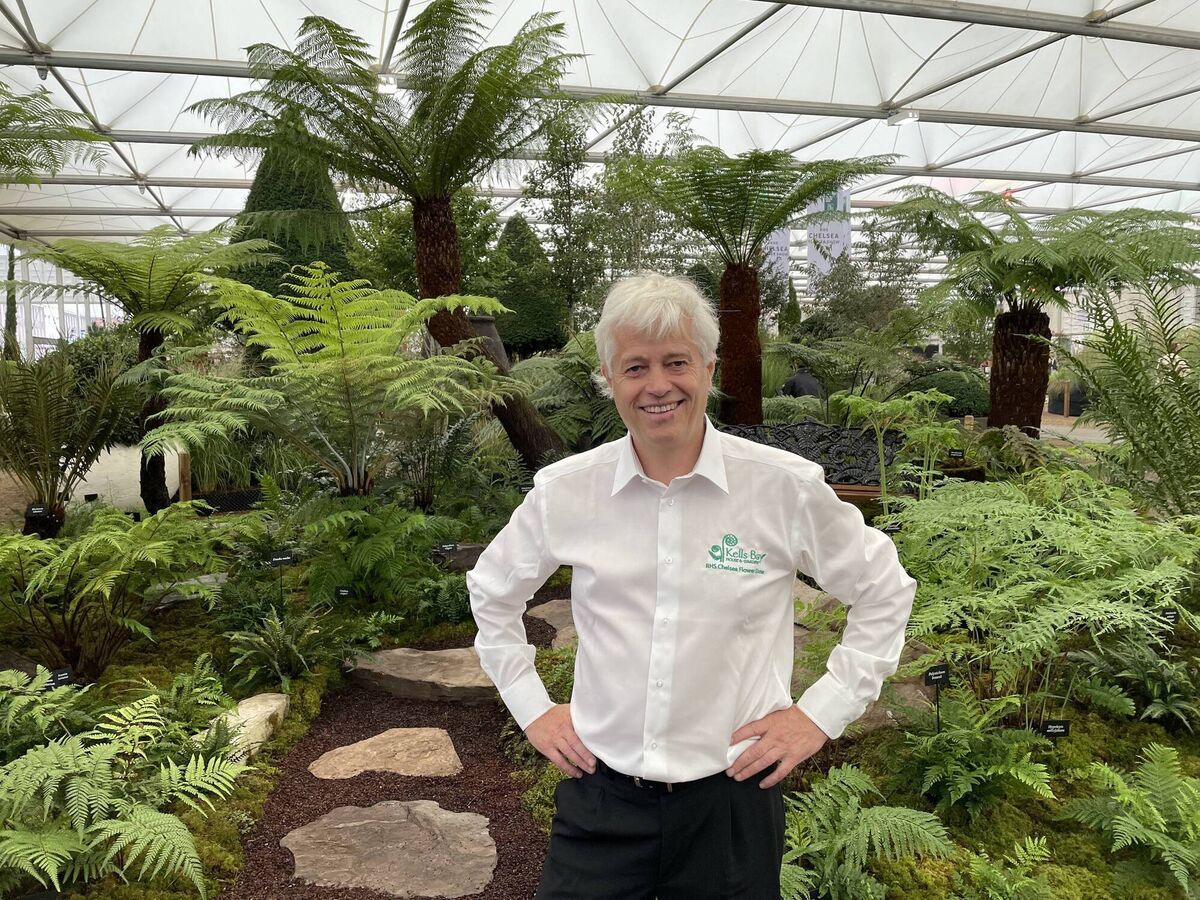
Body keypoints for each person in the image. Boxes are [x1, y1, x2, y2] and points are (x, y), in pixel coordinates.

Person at [468, 273, 916, 899]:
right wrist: (533, 708)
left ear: (709, 367)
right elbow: (492, 591)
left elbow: (885, 589)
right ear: (608, 377)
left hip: (731, 805)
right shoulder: (569, 491)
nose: (657, 385)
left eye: (676, 361)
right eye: (635, 366)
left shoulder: (781, 487)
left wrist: (820, 715)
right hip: (601, 800)